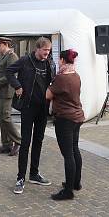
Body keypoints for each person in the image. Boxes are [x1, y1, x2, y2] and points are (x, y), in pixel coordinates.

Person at [6, 36, 56, 194]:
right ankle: (20, 177)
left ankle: (34, 173)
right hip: (28, 107)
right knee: (25, 142)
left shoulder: (49, 62)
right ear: (37, 49)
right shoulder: (25, 60)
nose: (46, 54)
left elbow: (53, 81)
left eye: (49, 51)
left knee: (39, 140)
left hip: (43, 108)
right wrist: (17, 85)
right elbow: (9, 72)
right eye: (44, 51)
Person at [46, 49, 85, 201]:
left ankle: (68, 191)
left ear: (62, 60)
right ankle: (75, 183)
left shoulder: (61, 78)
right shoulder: (76, 75)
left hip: (65, 119)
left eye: (59, 59)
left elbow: (48, 95)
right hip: (77, 116)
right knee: (75, 150)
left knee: (68, 154)